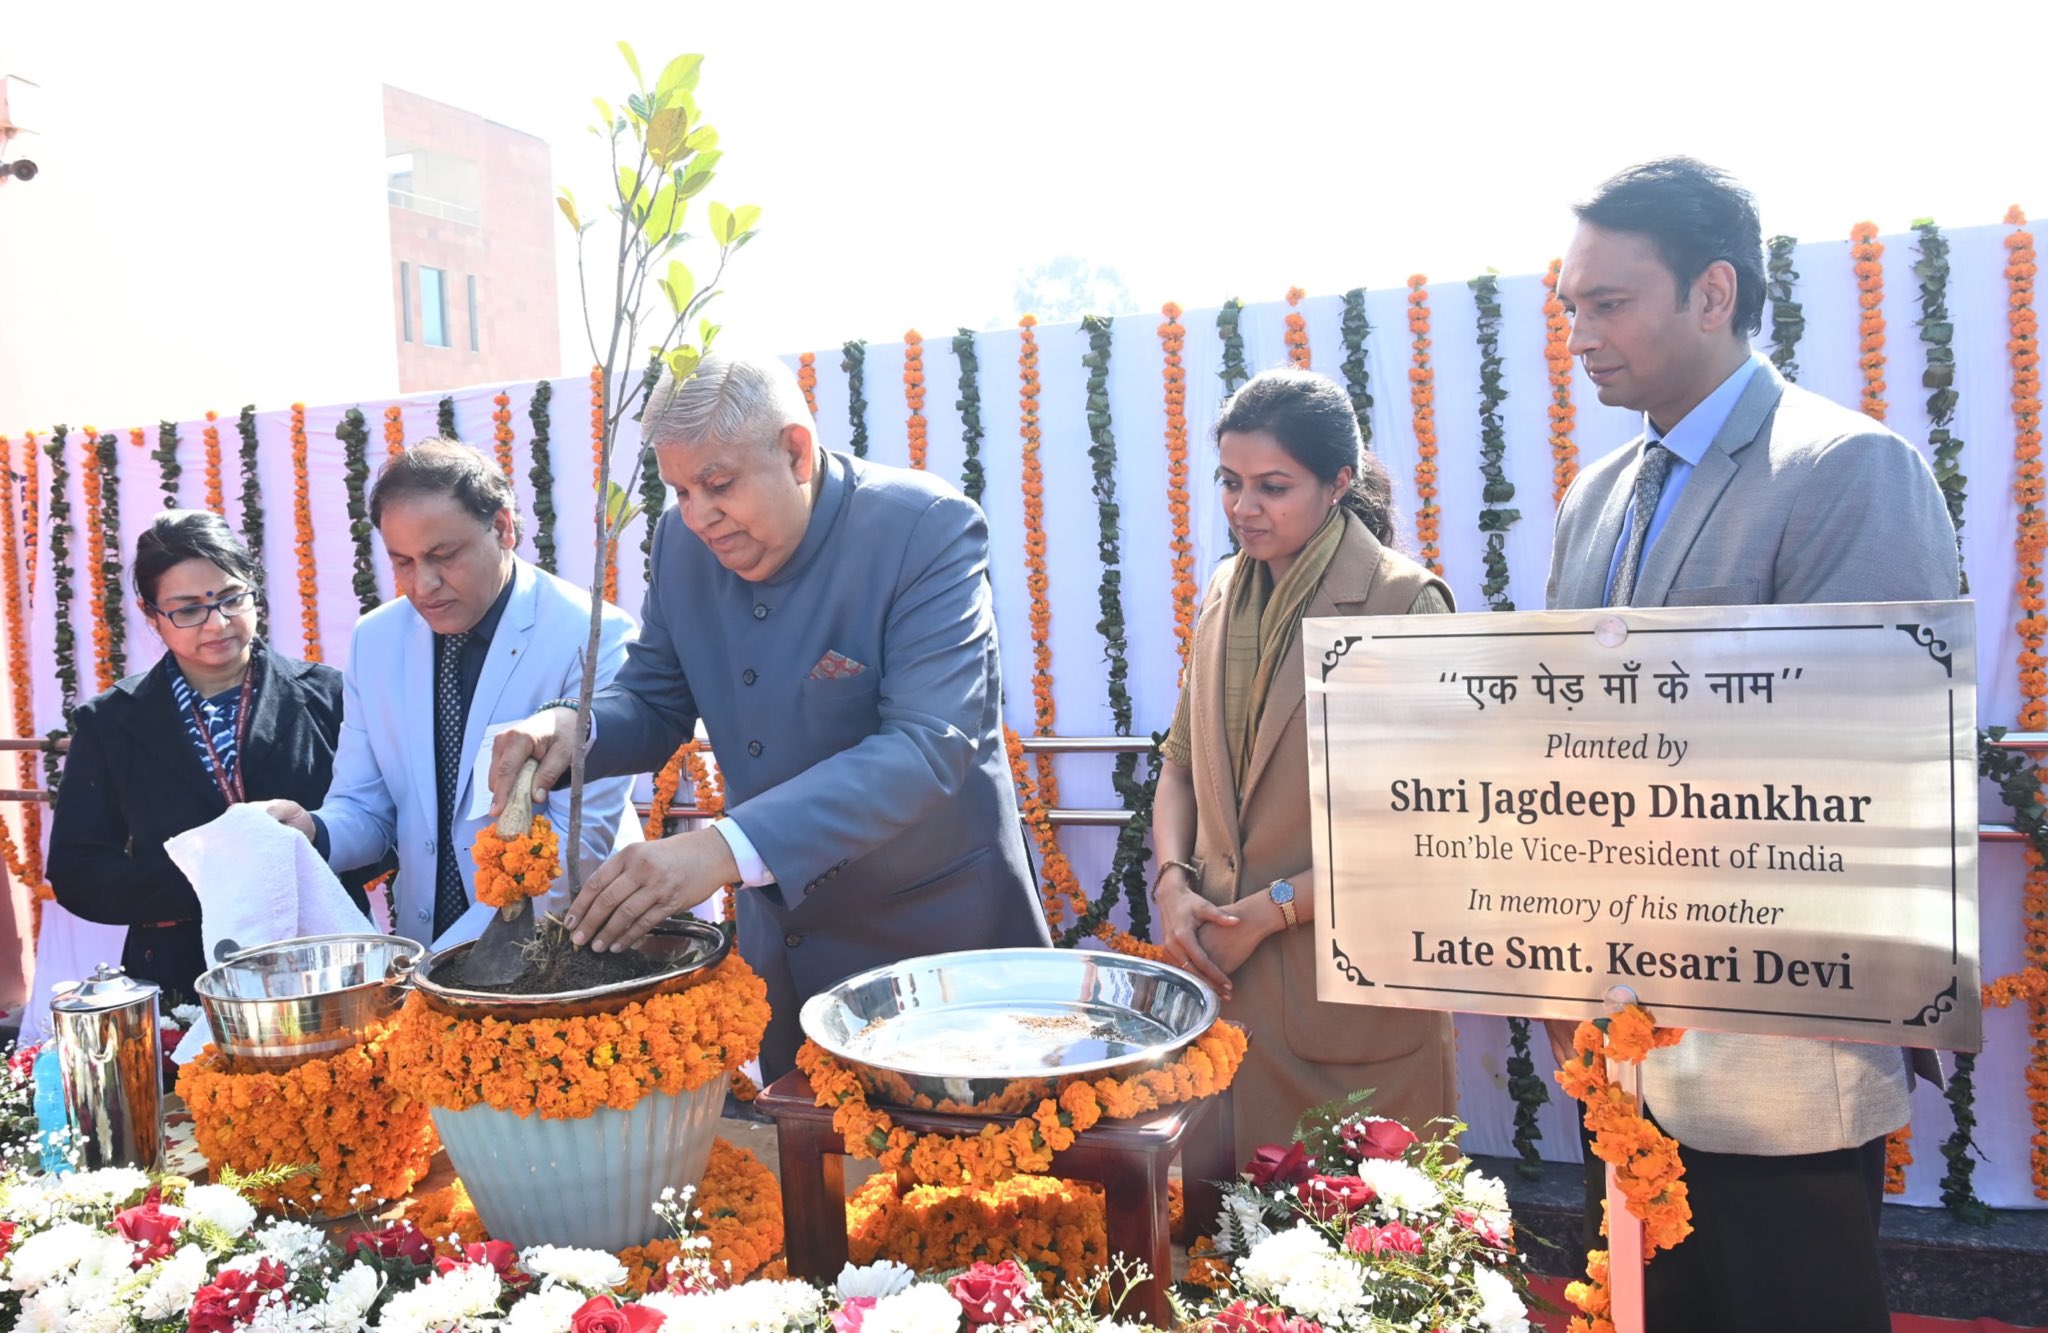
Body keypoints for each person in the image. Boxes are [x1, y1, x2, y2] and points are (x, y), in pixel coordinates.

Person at [1547, 157, 1958, 1333]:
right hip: (1620, 1052)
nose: (1579, 332)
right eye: (1569, 305)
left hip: (1780, 1061)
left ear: (1712, 292)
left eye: (1608, 302)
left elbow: (1874, 765)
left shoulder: (1841, 469)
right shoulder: (1592, 496)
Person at [486, 352, 1051, 1079]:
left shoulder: (923, 528)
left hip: (938, 952)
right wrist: (573, 726)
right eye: (681, 490)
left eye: (718, 484)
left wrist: (723, 849)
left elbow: (927, 747)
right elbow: (656, 698)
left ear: (796, 452)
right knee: (808, 1187)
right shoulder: (682, 544)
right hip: (786, 956)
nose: (698, 516)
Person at [1149, 368, 1459, 1158]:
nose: (1244, 508)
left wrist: (1271, 909)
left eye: (1273, 486)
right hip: (1225, 1001)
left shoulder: (1403, 603)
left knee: (1365, 1264)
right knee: (1230, 1258)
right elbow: (1181, 765)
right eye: (1230, 482)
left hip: (1350, 1015)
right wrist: (1172, 883)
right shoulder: (1221, 591)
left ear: (1338, 483)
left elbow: (1429, 836)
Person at [265, 440, 640, 947]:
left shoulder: (592, 636)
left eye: (444, 555)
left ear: (503, 528)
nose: (424, 585)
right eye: (403, 562)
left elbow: (581, 842)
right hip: (427, 950)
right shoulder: (375, 640)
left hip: (556, 952)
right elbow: (366, 808)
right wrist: (313, 832)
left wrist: (452, 961)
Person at [47, 511, 384, 999]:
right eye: (187, 610)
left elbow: (382, 828)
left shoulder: (328, 695)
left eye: (231, 598)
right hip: (181, 975)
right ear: (150, 615)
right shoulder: (111, 722)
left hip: (325, 966)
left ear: (254, 588)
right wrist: (216, 880)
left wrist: (313, 840)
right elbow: (80, 873)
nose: (217, 623)